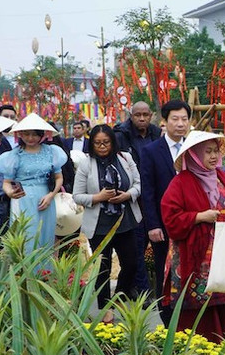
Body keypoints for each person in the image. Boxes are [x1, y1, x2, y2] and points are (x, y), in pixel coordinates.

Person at [161, 130, 225, 342]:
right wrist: (199, 217)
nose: (213, 156)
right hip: (194, 259)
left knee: (224, 308)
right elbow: (170, 219)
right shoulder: (181, 182)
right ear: (194, 155)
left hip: (222, 256)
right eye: (207, 152)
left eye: (215, 151)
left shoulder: (223, 177)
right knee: (195, 321)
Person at [74, 124, 142, 323]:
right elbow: (77, 196)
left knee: (131, 263)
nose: (102, 147)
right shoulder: (86, 164)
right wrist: (98, 197)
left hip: (125, 220)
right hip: (99, 223)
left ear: (113, 142)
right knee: (102, 268)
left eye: (106, 142)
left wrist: (128, 195)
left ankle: (119, 296)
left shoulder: (125, 158)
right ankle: (105, 309)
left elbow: (138, 184)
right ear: (91, 144)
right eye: (97, 143)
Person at [140, 100, 190, 323]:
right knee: (164, 271)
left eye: (184, 119)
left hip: (190, 221)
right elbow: (148, 190)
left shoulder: (193, 147)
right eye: (175, 119)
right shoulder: (151, 151)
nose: (180, 124)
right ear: (165, 121)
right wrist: (152, 225)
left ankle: (188, 315)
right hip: (163, 223)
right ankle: (167, 318)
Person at [0, 113, 67, 258]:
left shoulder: (51, 151)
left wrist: (51, 195)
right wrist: (10, 193)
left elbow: (59, 178)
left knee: (46, 237)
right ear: (20, 134)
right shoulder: (14, 155)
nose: (30, 138)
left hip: (46, 200)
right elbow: (6, 183)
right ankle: (24, 275)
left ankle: (45, 274)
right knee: (26, 236)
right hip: (23, 200)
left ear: (42, 135)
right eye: (26, 134)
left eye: (35, 134)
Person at [115, 101, 162, 299]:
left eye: (145, 115)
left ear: (151, 115)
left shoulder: (157, 134)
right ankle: (142, 291)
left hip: (153, 194)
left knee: (146, 246)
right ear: (131, 115)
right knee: (137, 245)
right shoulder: (120, 135)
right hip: (131, 197)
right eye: (137, 115)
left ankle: (123, 289)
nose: (141, 119)